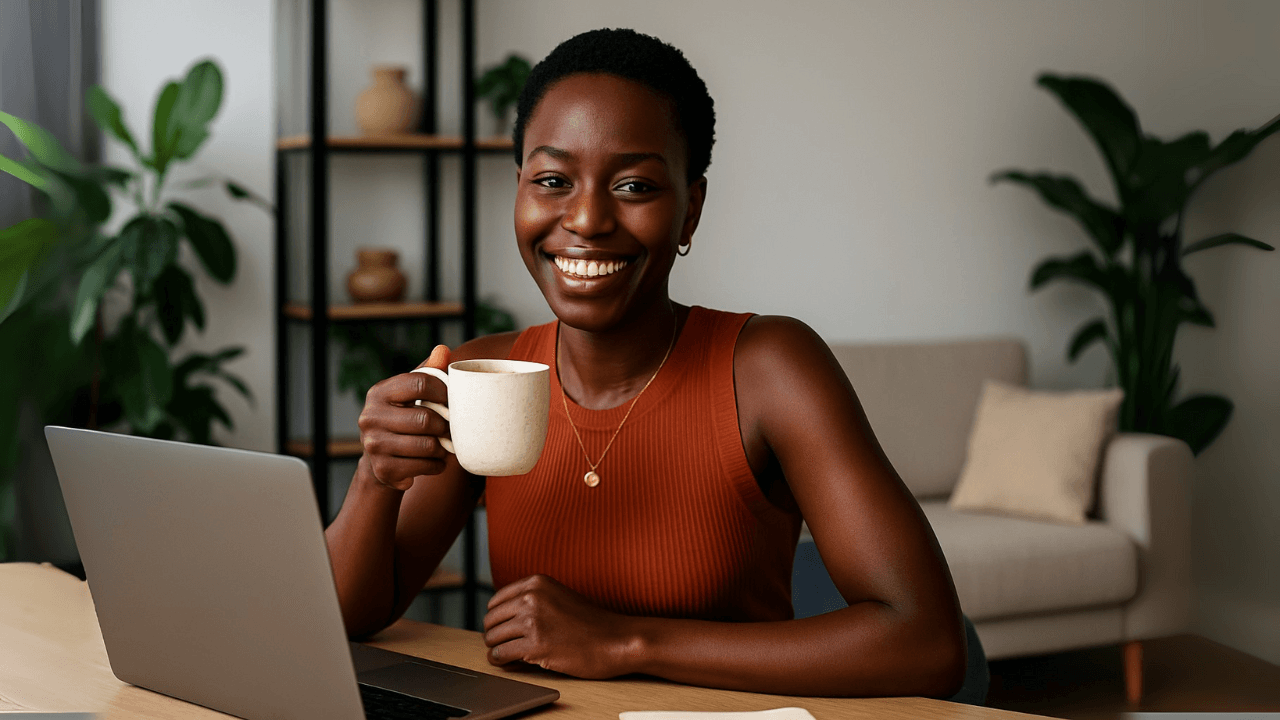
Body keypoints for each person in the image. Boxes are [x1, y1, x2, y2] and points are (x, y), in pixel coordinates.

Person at [326, 28, 970, 699]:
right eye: (552, 180)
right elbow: (352, 618)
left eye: (634, 185)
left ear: (690, 210)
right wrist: (375, 478)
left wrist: (626, 640)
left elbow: (925, 643)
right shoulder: (480, 375)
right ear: (517, 190)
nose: (586, 218)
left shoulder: (770, 369)